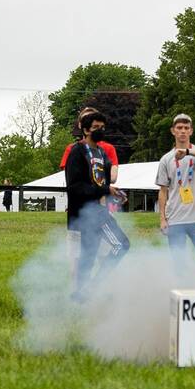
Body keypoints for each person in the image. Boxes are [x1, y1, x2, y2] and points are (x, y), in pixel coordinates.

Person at [65, 108, 130, 297]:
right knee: (118, 245)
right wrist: (104, 190)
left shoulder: (102, 153)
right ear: (85, 130)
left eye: (102, 127)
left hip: (99, 211)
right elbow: (74, 187)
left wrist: (114, 195)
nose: (100, 130)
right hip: (83, 214)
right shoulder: (77, 152)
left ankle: (82, 294)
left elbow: (103, 183)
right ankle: (88, 289)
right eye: (95, 127)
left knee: (94, 255)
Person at [154, 113, 195, 275]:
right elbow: (163, 191)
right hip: (175, 219)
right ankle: (183, 291)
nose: (183, 131)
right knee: (178, 262)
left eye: (186, 128)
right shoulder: (166, 159)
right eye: (179, 128)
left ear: (191, 131)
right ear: (173, 131)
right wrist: (162, 218)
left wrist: (188, 152)